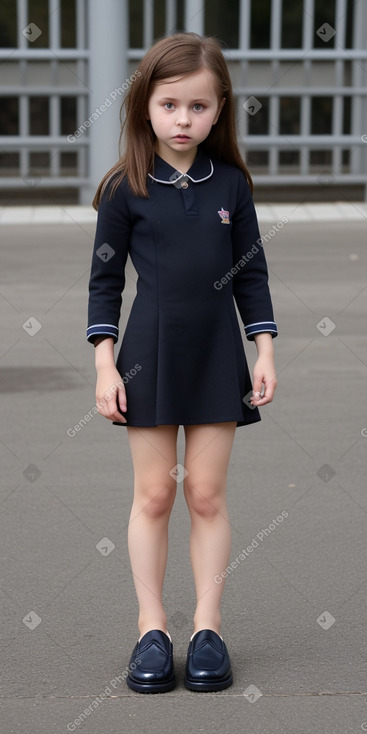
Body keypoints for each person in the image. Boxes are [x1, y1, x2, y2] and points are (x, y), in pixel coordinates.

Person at [86, 32, 278, 693]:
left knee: (204, 494)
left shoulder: (231, 184)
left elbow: (251, 275)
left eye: (197, 107)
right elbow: (104, 283)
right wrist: (105, 366)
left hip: (217, 354)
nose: (182, 120)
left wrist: (264, 350)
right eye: (169, 105)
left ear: (219, 109)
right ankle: (151, 628)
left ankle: (207, 629)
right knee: (155, 493)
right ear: (145, 106)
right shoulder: (124, 189)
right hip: (147, 356)